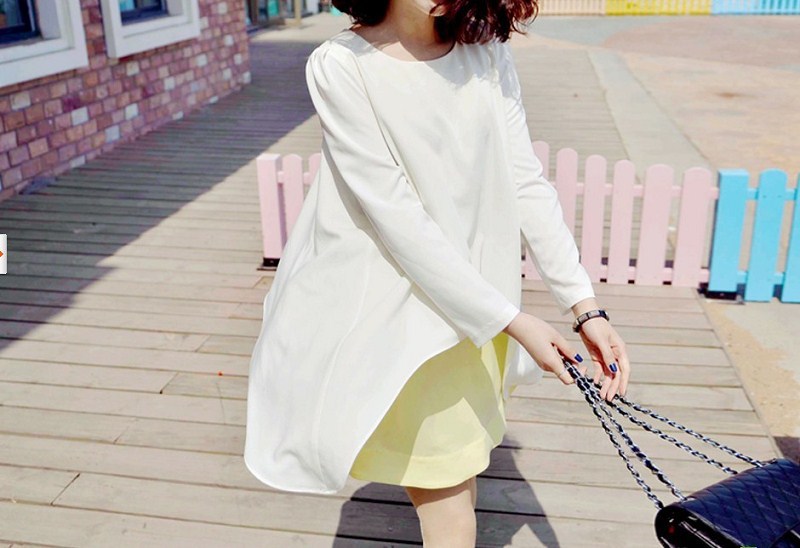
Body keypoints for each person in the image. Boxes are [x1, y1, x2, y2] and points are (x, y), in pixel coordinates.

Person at [244, 0, 631, 545]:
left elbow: (525, 182)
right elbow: (394, 215)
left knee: (454, 472)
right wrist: (512, 321)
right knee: (447, 493)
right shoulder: (341, 65)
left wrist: (583, 306)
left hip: (477, 303)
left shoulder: (485, 54)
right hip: (397, 312)